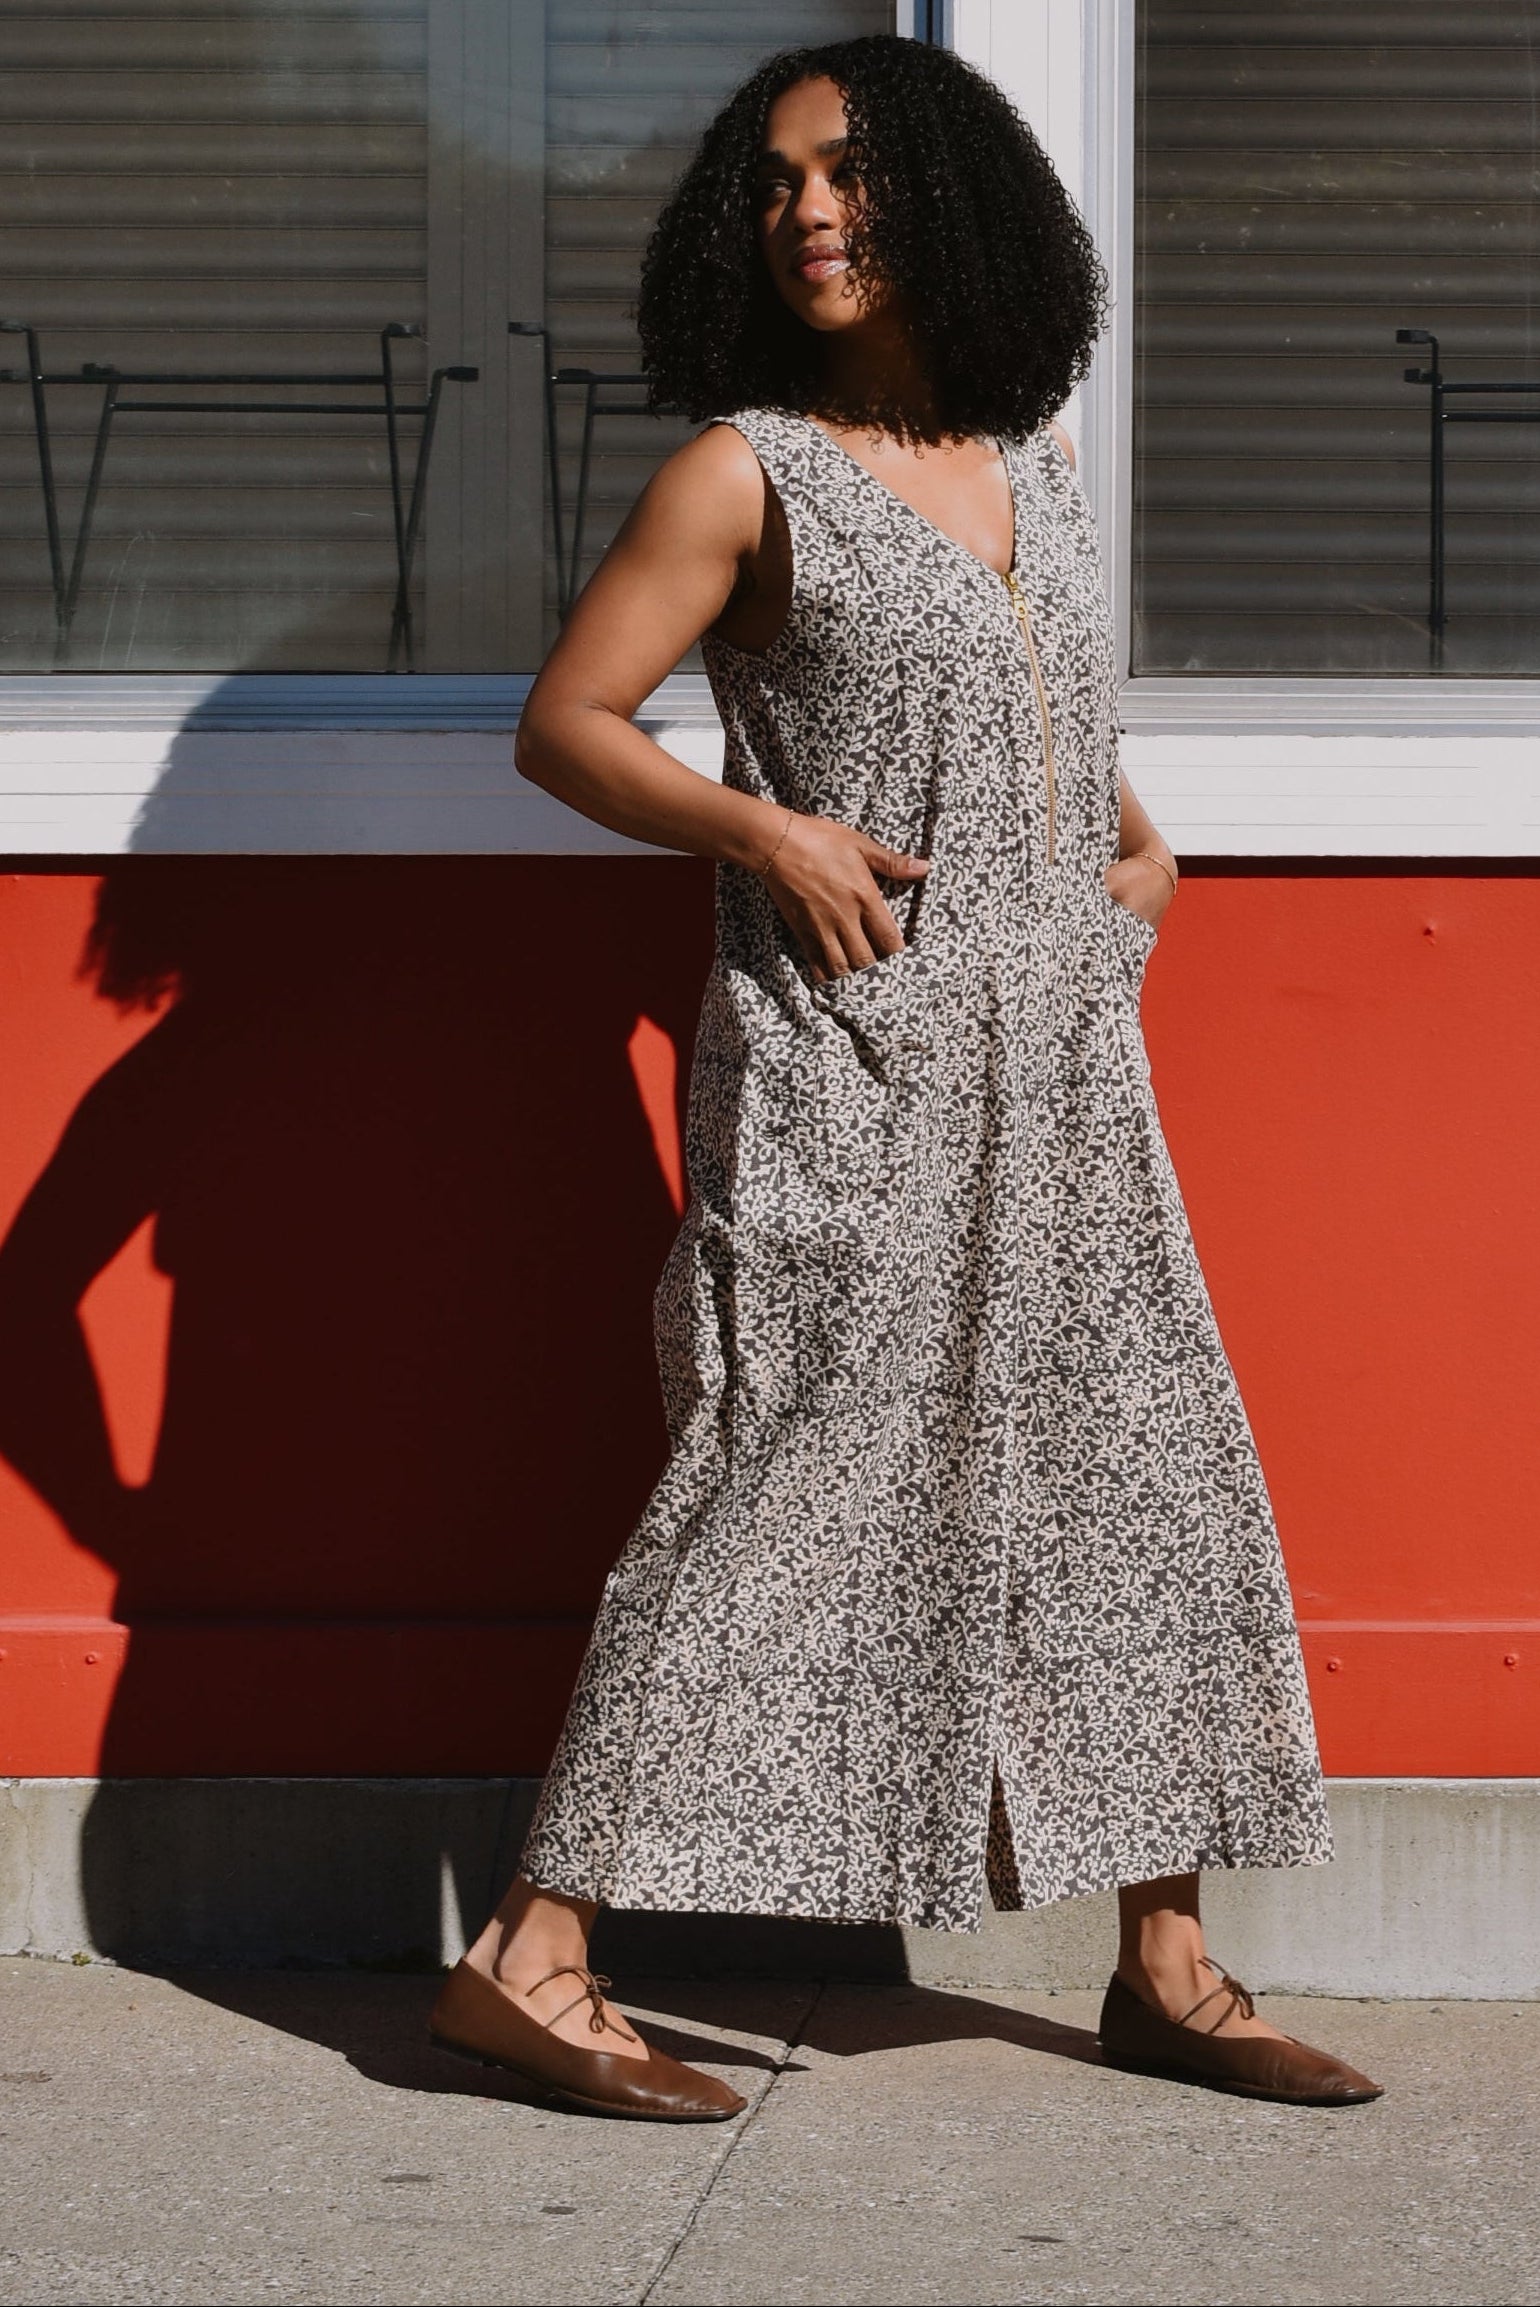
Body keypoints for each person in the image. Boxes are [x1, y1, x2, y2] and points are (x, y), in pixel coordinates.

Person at [428, 34, 1381, 2119]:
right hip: (846, 1068)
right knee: (781, 1482)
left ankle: (1164, 1962)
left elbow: (1043, 702)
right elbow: (565, 722)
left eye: (848, 172)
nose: (808, 212)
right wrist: (764, 833)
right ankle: (531, 1954)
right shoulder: (742, 473)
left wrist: (1136, 847)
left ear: (949, 196)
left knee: (1137, 1470)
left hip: (1065, 1062)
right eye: (773, 183)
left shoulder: (1037, 455)